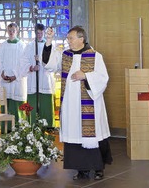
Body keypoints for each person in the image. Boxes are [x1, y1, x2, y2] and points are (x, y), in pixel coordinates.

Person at [43, 26, 112, 181]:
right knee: (74, 135)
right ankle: (82, 169)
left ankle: (98, 168)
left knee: (93, 134)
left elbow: (103, 78)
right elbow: (50, 64)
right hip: (70, 104)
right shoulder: (65, 55)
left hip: (90, 105)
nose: (68, 41)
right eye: (68, 38)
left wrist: (85, 76)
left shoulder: (95, 56)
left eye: (71, 38)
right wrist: (48, 41)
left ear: (81, 39)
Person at [0, 23, 26, 131]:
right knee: (5, 103)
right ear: (7, 31)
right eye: (9, 30)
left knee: (17, 105)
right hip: (5, 79)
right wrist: (1, 74)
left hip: (17, 80)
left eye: (13, 30)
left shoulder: (22, 45)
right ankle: (5, 129)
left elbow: (24, 63)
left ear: (17, 31)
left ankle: (18, 130)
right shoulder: (2, 45)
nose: (11, 32)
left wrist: (15, 76)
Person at [21, 23, 55, 126]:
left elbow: (53, 61)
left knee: (46, 104)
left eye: (41, 33)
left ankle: (48, 126)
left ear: (44, 33)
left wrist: (40, 59)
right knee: (33, 103)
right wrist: (31, 67)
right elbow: (23, 61)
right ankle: (32, 124)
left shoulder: (49, 46)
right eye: (37, 33)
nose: (39, 35)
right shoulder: (30, 46)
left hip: (45, 78)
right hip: (33, 79)